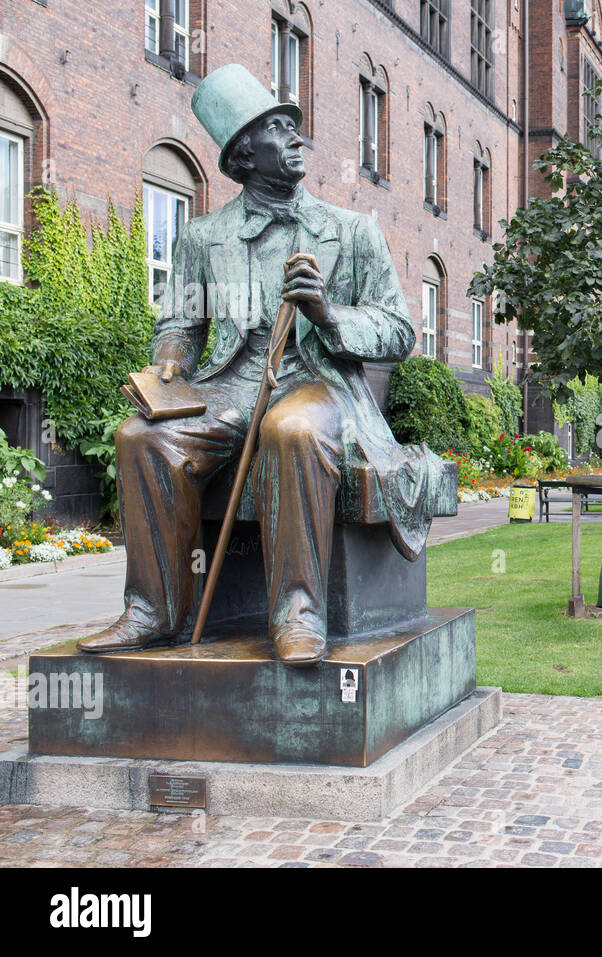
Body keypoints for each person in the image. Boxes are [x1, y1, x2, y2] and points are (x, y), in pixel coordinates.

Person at [75, 65, 446, 667]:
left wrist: (328, 315)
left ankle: (298, 613)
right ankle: (155, 612)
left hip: (316, 382)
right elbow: (179, 323)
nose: (296, 137)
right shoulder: (203, 237)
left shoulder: (351, 232)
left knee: (291, 430)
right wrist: (170, 362)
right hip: (228, 386)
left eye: (294, 126)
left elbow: (399, 330)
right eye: (278, 128)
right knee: (141, 437)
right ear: (244, 154)